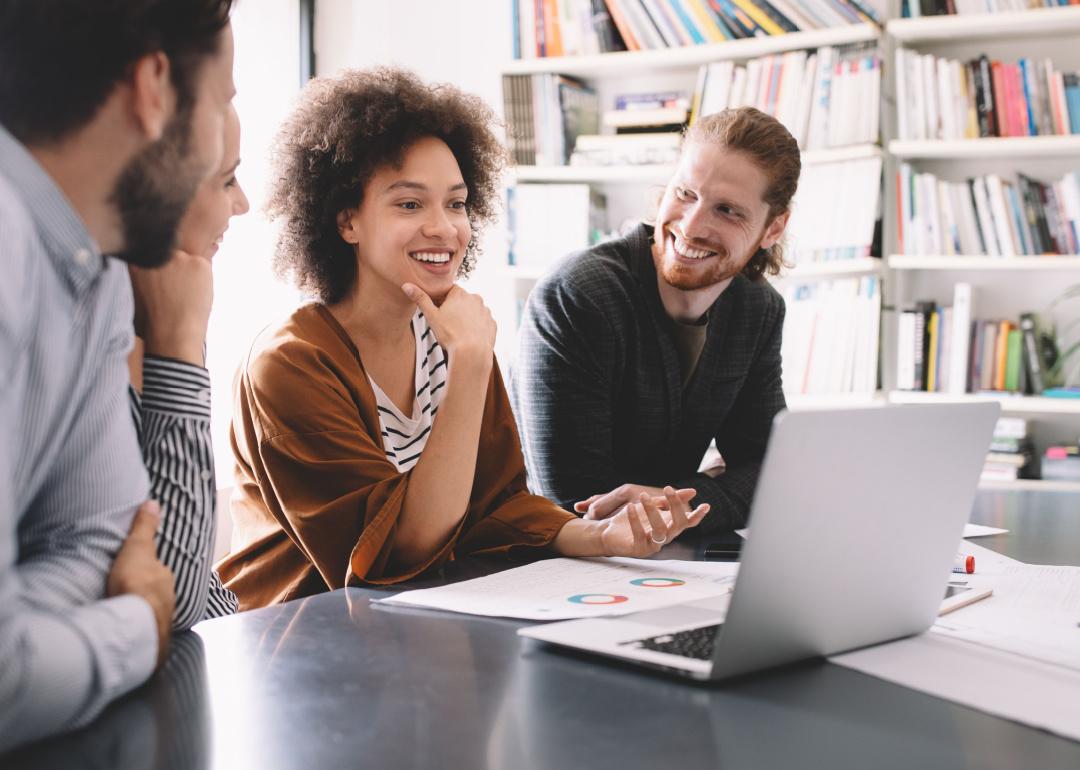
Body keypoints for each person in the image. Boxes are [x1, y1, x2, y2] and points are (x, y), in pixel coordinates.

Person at [217, 67, 708, 610]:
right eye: (409, 204)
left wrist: (601, 535)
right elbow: (395, 553)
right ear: (346, 220)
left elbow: (495, 506)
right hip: (298, 642)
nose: (444, 228)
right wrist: (471, 363)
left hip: (423, 620)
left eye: (455, 203)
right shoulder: (290, 364)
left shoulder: (451, 338)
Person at [0, 0, 235, 751]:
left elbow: (108, 548)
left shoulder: (93, 271)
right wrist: (134, 624)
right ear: (154, 89)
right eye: (224, 100)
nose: (219, 150)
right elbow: (138, 596)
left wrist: (36, 622)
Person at [510, 107, 798, 534]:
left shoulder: (757, 310)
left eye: (728, 211)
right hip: (546, 565)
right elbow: (576, 503)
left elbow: (772, 472)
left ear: (773, 229)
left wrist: (674, 503)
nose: (692, 226)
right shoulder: (578, 295)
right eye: (685, 193)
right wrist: (713, 489)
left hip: (668, 559)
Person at [127, 104, 249, 626]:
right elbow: (172, 600)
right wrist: (179, 341)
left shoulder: (173, 298)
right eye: (227, 181)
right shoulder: (168, 323)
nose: (242, 204)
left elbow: (199, 586)